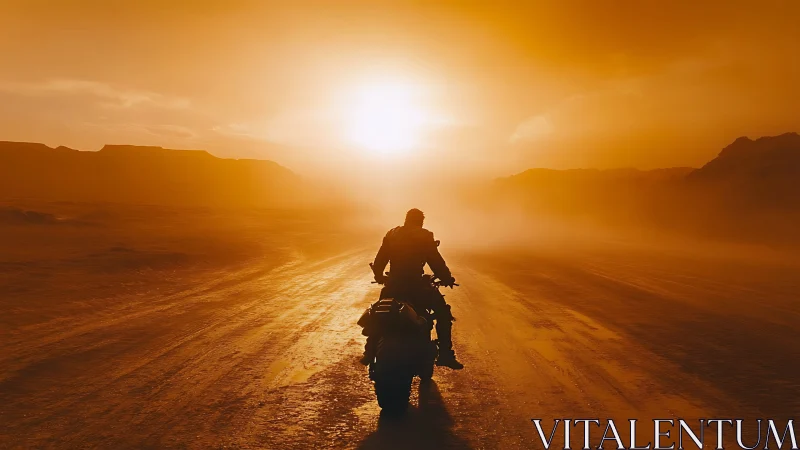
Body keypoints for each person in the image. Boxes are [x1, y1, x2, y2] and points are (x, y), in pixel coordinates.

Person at [361, 208, 464, 370]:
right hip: (417, 287)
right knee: (443, 313)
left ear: (406, 220)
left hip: (393, 286)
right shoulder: (424, 236)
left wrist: (379, 276)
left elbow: (380, 259)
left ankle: (369, 351)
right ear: (420, 221)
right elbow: (435, 261)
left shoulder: (392, 234)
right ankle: (445, 354)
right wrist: (446, 278)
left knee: (379, 312)